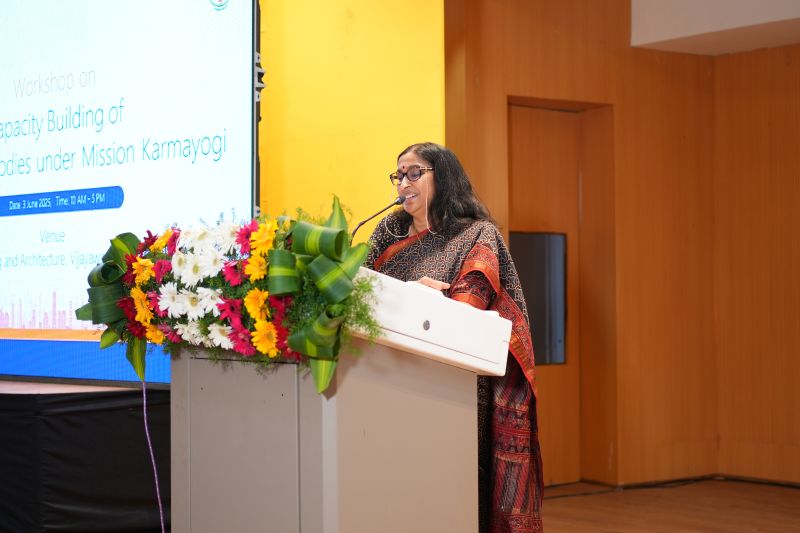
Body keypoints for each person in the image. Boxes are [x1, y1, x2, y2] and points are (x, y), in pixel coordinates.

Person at [365, 142, 544, 533]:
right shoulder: (387, 230)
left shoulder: (476, 235)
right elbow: (364, 292)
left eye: (414, 173)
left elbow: (468, 312)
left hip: (451, 386)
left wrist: (429, 299)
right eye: (399, 176)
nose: (403, 184)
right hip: (382, 377)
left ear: (442, 177)